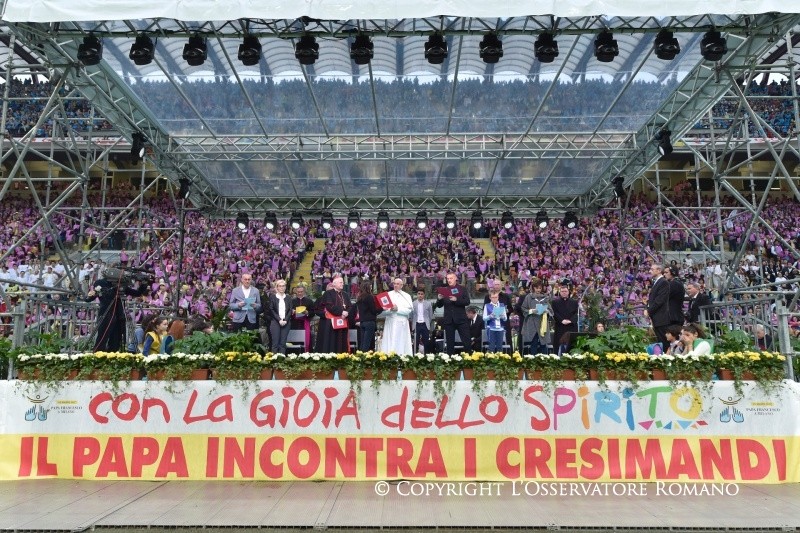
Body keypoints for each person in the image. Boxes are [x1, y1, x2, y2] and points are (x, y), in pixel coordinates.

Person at [88, 266, 148, 352]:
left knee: (116, 339)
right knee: (102, 337)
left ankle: (113, 353)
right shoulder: (101, 282)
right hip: (106, 313)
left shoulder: (121, 285)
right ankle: (98, 353)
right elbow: (104, 293)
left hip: (119, 314)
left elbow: (137, 293)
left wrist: (144, 283)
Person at [435, 272, 471, 355]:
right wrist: (439, 299)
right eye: (447, 279)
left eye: (451, 278)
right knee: (449, 342)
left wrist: (456, 300)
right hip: (449, 320)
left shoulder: (462, 289)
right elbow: (439, 305)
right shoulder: (444, 290)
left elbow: (467, 301)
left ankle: (469, 358)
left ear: (455, 279)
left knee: (466, 341)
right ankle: (450, 359)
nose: (449, 280)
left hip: (461, 319)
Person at [315, 275, 351, 353]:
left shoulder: (345, 294)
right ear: (334, 284)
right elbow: (329, 306)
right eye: (341, 282)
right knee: (332, 341)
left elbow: (350, 306)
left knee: (342, 341)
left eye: (342, 282)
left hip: (343, 321)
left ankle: (342, 356)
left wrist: (346, 313)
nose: (343, 284)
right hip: (331, 323)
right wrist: (342, 312)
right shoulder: (328, 293)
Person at [380, 277, 414, 355]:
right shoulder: (388, 295)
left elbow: (409, 310)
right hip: (390, 321)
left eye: (398, 284)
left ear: (402, 285)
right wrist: (390, 309)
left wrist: (397, 309)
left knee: (401, 342)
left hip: (401, 323)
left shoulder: (406, 296)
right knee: (389, 340)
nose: (395, 285)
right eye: (394, 284)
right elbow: (383, 310)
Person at [520, 280, 550, 354]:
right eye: (536, 288)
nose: (538, 290)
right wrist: (531, 311)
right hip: (532, 324)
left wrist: (547, 311)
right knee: (533, 344)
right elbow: (523, 308)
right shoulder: (528, 297)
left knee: (543, 344)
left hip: (543, 324)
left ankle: (544, 360)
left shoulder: (545, 298)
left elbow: (551, 311)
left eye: (540, 288)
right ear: (533, 288)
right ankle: (533, 359)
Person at [265, 279, 294, 354]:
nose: (282, 288)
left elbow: (290, 310)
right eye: (280, 286)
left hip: (286, 322)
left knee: (283, 344)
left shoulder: (288, 297)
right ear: (277, 287)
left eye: (283, 286)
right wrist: (279, 320)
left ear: (285, 287)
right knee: (275, 344)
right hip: (275, 322)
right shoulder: (273, 297)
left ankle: (281, 359)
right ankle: (274, 359)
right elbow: (271, 309)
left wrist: (286, 320)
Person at [646, 264, 670, 351]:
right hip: (657, 317)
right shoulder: (657, 282)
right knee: (660, 340)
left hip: (661, 317)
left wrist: (649, 311)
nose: (650, 271)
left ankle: (666, 357)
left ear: (659, 270)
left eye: (652, 269)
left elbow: (659, 300)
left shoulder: (663, 282)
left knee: (663, 341)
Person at [355, 280, 382, 351]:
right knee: (367, 344)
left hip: (362, 322)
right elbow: (373, 311)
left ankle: (360, 356)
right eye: (370, 285)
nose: (371, 287)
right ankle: (365, 356)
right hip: (369, 322)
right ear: (368, 286)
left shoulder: (359, 297)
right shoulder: (369, 297)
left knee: (363, 343)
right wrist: (382, 308)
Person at [551, 284, 578, 354]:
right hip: (560, 326)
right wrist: (561, 320)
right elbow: (554, 313)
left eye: (565, 291)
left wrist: (570, 321)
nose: (564, 293)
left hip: (571, 326)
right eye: (562, 291)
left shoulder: (574, 302)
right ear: (560, 292)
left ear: (568, 292)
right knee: (558, 344)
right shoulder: (555, 302)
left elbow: (576, 313)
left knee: (571, 345)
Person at [290, 285, 315, 350]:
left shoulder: (309, 301)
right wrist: (292, 311)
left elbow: (313, 312)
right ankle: (294, 353)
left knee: (305, 339)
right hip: (294, 323)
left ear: (304, 291)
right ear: (296, 292)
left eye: (301, 291)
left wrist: (307, 312)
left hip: (305, 323)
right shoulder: (292, 301)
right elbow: (287, 311)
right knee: (294, 339)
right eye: (298, 292)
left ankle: (306, 352)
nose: (300, 293)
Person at [411, 288, 434, 353]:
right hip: (416, 324)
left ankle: (426, 356)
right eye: (419, 294)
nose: (420, 295)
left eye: (422, 294)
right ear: (416, 295)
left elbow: (430, 315)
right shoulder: (413, 304)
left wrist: (427, 322)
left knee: (426, 342)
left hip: (425, 324)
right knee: (416, 342)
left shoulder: (428, 304)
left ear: (424, 295)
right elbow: (411, 315)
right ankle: (414, 356)